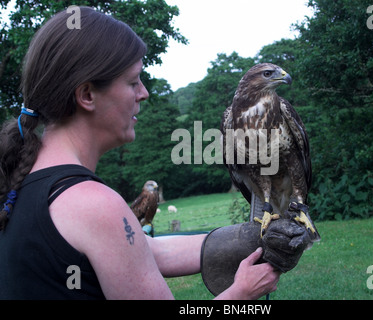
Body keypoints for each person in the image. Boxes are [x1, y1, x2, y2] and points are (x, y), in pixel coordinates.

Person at [0, 7, 279, 300]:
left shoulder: (20, 181)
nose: (143, 93)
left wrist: (249, 239)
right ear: (87, 95)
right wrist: (242, 293)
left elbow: (140, 250)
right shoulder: (95, 205)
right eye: (133, 82)